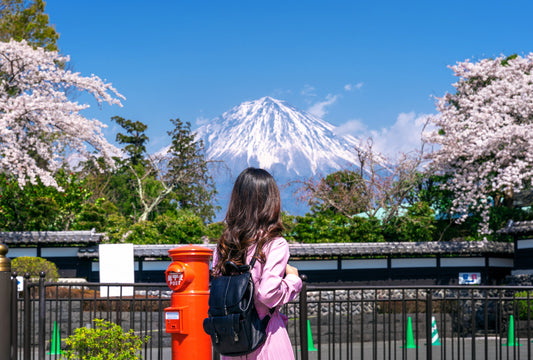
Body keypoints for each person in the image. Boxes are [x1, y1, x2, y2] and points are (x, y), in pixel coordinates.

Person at [212, 167, 302, 360]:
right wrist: (293, 281)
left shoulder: (223, 245)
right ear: (271, 202)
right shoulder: (274, 244)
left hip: (233, 344)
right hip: (266, 339)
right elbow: (267, 294)